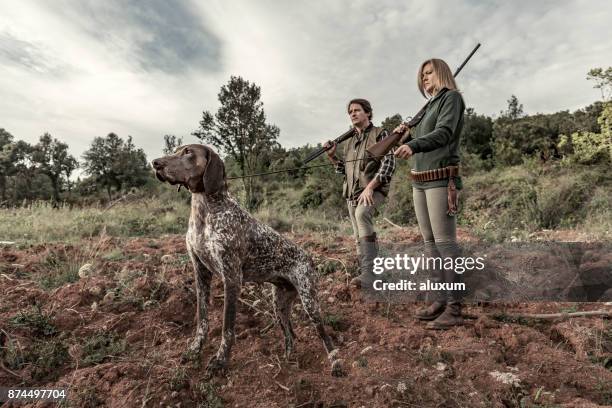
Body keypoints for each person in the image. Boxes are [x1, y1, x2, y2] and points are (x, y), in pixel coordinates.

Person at [394, 59, 466, 329]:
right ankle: (438, 300)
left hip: (439, 179)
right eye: (422, 74)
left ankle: (455, 308)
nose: (424, 77)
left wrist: (413, 143)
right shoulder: (428, 107)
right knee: (429, 243)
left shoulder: (452, 99)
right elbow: (419, 140)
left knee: (446, 244)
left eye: (429, 72)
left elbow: (444, 133)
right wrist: (404, 135)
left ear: (442, 73)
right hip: (419, 181)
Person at [324, 99, 396, 288]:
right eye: (350, 111)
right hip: (352, 192)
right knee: (358, 235)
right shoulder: (349, 141)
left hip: (373, 189)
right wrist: (332, 156)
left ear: (368, 113)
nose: (353, 114)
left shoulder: (380, 133)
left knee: (362, 214)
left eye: (357, 110)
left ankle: (370, 274)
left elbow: (389, 164)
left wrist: (370, 187)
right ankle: (368, 272)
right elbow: (344, 170)